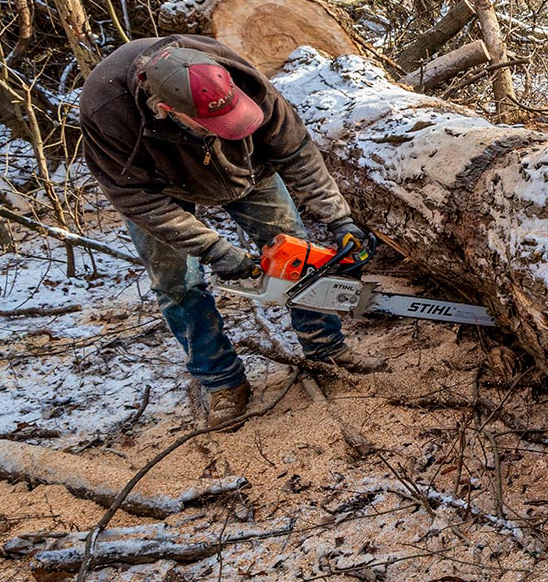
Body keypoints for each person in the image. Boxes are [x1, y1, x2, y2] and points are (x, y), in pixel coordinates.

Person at [81, 35, 384, 424]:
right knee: (178, 283)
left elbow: (296, 151)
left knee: (298, 250)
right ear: (164, 110)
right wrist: (216, 250)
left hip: (246, 170)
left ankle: (325, 346)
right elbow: (137, 200)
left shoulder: (241, 77)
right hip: (160, 191)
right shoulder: (109, 112)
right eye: (214, 123)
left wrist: (338, 217)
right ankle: (223, 381)